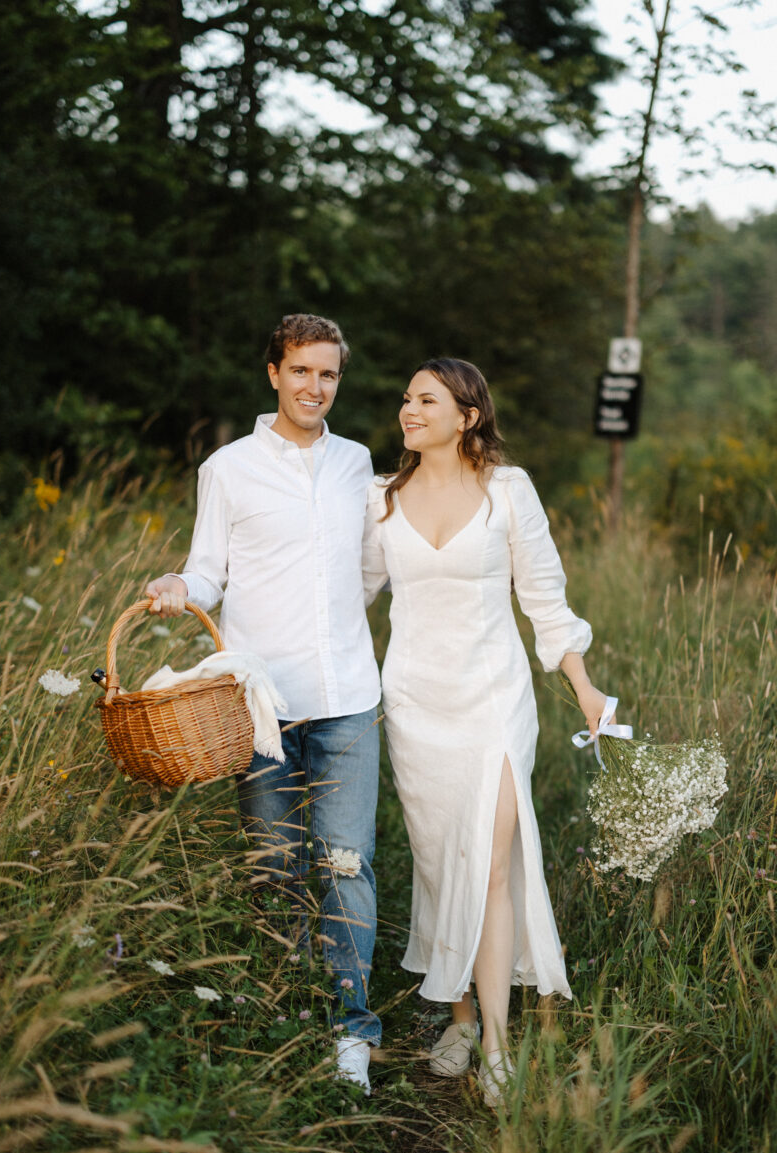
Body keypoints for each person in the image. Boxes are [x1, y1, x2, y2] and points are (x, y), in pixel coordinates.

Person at [362, 357, 610, 1107]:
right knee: (443, 863)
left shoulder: (509, 490)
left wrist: (585, 687)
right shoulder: (380, 498)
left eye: (426, 399)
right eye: (407, 398)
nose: (409, 410)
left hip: (494, 699)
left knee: (494, 863)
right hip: (416, 704)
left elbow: (545, 599)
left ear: (467, 416)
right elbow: (345, 596)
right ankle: (460, 1018)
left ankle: (497, 1043)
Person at [145, 313, 382, 1095]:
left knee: (345, 865)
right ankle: (283, 1014)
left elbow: (368, 567)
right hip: (260, 708)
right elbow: (208, 571)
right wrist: (179, 586)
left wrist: (338, 624)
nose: (316, 387)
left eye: (328, 373)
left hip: (348, 699)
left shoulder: (357, 464)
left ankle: (350, 1030)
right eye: (302, 370)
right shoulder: (229, 469)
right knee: (273, 867)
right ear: (274, 373)